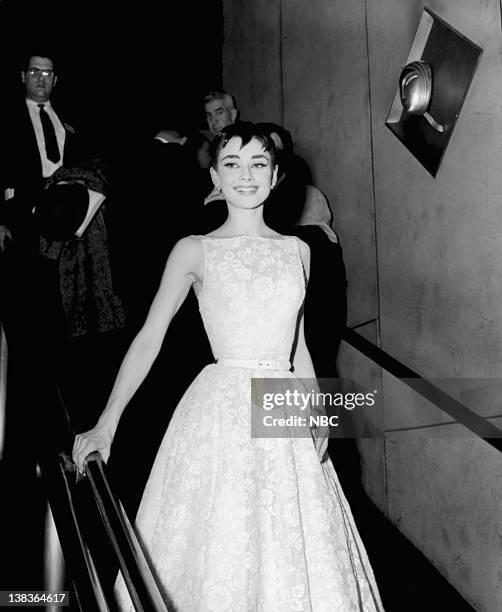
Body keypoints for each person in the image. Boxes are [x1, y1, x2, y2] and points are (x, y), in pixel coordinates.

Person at [73, 122, 383, 611]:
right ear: (215, 176)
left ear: (276, 176)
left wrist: (317, 406)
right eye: (232, 164)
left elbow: (297, 344)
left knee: (293, 549)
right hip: (221, 410)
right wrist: (107, 423)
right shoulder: (194, 248)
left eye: (258, 164)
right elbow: (149, 338)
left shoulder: (298, 251)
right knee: (222, 546)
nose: (245, 175)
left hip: (282, 411)